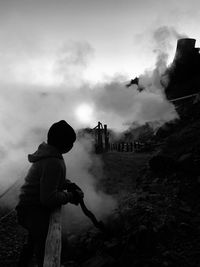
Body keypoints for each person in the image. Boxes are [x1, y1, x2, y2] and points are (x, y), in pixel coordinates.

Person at [16, 120, 83, 267]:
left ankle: (23, 262)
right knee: (46, 245)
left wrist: (68, 184)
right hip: (32, 209)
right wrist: (71, 197)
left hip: (28, 206)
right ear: (63, 144)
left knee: (33, 240)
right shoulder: (52, 161)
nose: (72, 146)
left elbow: (50, 181)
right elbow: (48, 198)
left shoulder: (50, 155)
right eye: (71, 143)